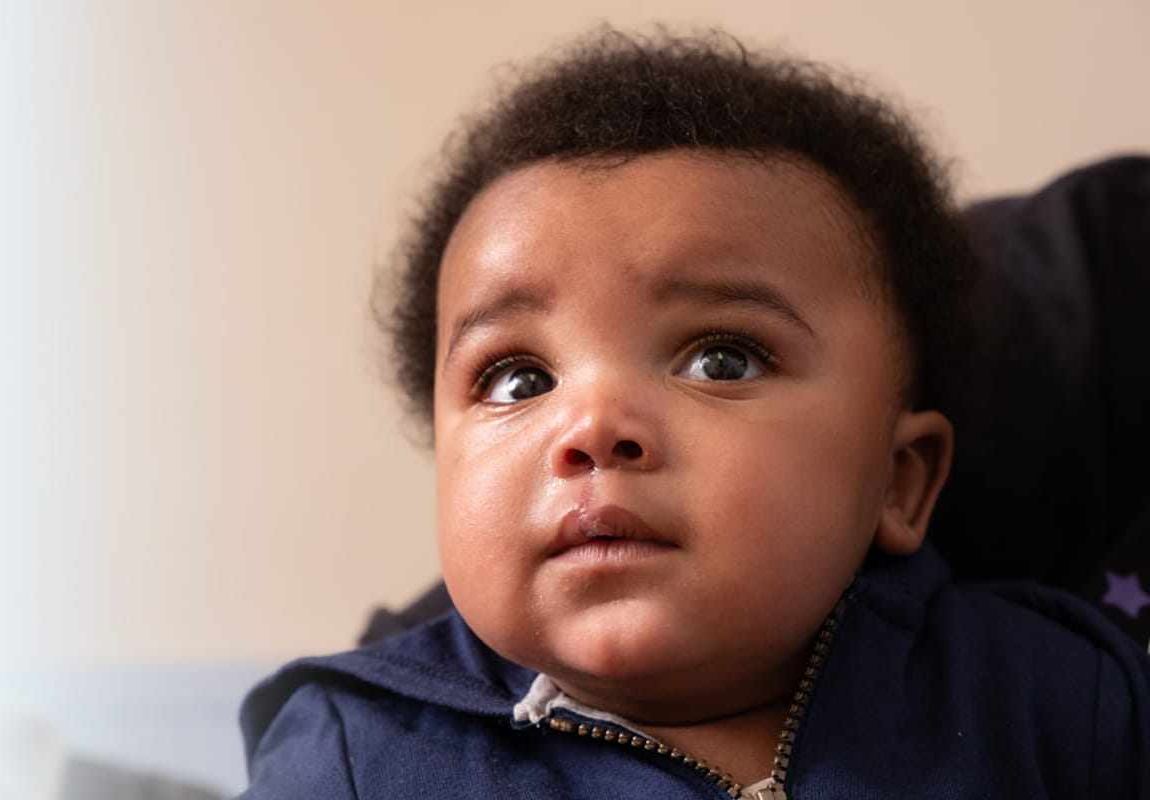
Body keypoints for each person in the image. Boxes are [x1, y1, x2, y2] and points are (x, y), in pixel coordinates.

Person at [234, 29, 1149, 798]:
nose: (592, 425)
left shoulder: (1055, 698)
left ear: (899, 482)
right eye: (517, 379)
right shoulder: (349, 754)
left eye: (721, 359)